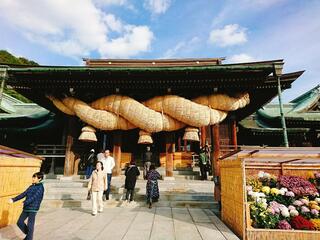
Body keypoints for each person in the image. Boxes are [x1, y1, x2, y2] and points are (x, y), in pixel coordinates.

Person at [8, 172, 44, 240]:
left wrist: (25, 202)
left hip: (33, 208)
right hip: (27, 207)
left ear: (39, 179)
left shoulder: (40, 187)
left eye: (34, 177)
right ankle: (29, 236)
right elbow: (23, 194)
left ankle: (29, 238)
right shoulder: (31, 186)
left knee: (30, 224)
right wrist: (13, 199)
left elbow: (34, 197)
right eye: (33, 177)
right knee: (19, 222)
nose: (33, 179)